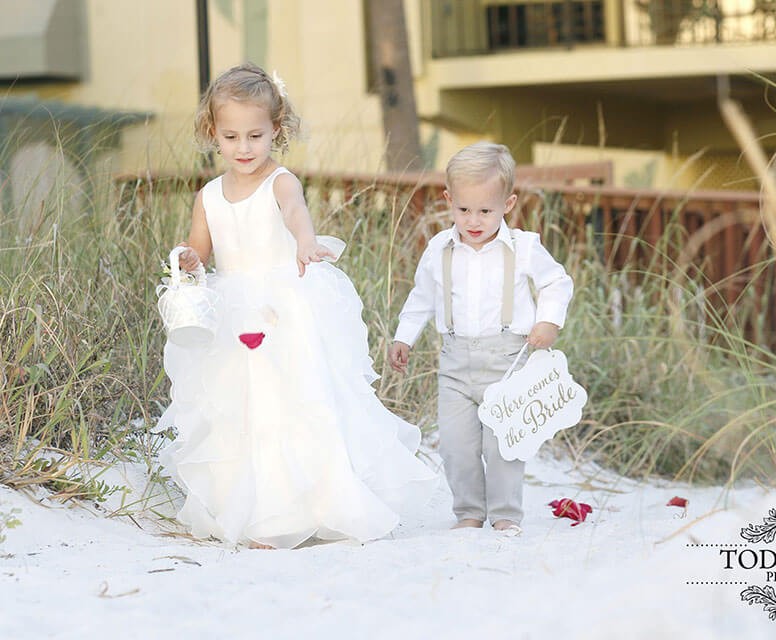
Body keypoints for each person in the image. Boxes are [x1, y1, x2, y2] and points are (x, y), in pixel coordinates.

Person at [157, 63, 436, 550]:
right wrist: (187, 257)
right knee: (240, 409)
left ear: (275, 130)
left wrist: (305, 242)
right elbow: (201, 252)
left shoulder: (280, 181)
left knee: (292, 401)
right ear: (212, 134)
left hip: (281, 308)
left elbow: (295, 214)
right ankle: (254, 512)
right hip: (231, 312)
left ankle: (306, 508)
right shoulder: (207, 196)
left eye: (255, 135)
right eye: (231, 136)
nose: (244, 148)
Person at [389, 142, 574, 536]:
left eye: (485, 211)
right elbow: (421, 298)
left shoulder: (524, 247)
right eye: (463, 210)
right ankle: (468, 512)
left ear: (507, 204)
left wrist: (548, 321)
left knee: (504, 443)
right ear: (448, 200)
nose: (473, 220)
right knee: (456, 447)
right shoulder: (440, 249)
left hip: (507, 360)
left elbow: (558, 282)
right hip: (455, 364)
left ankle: (506, 513)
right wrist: (404, 338)